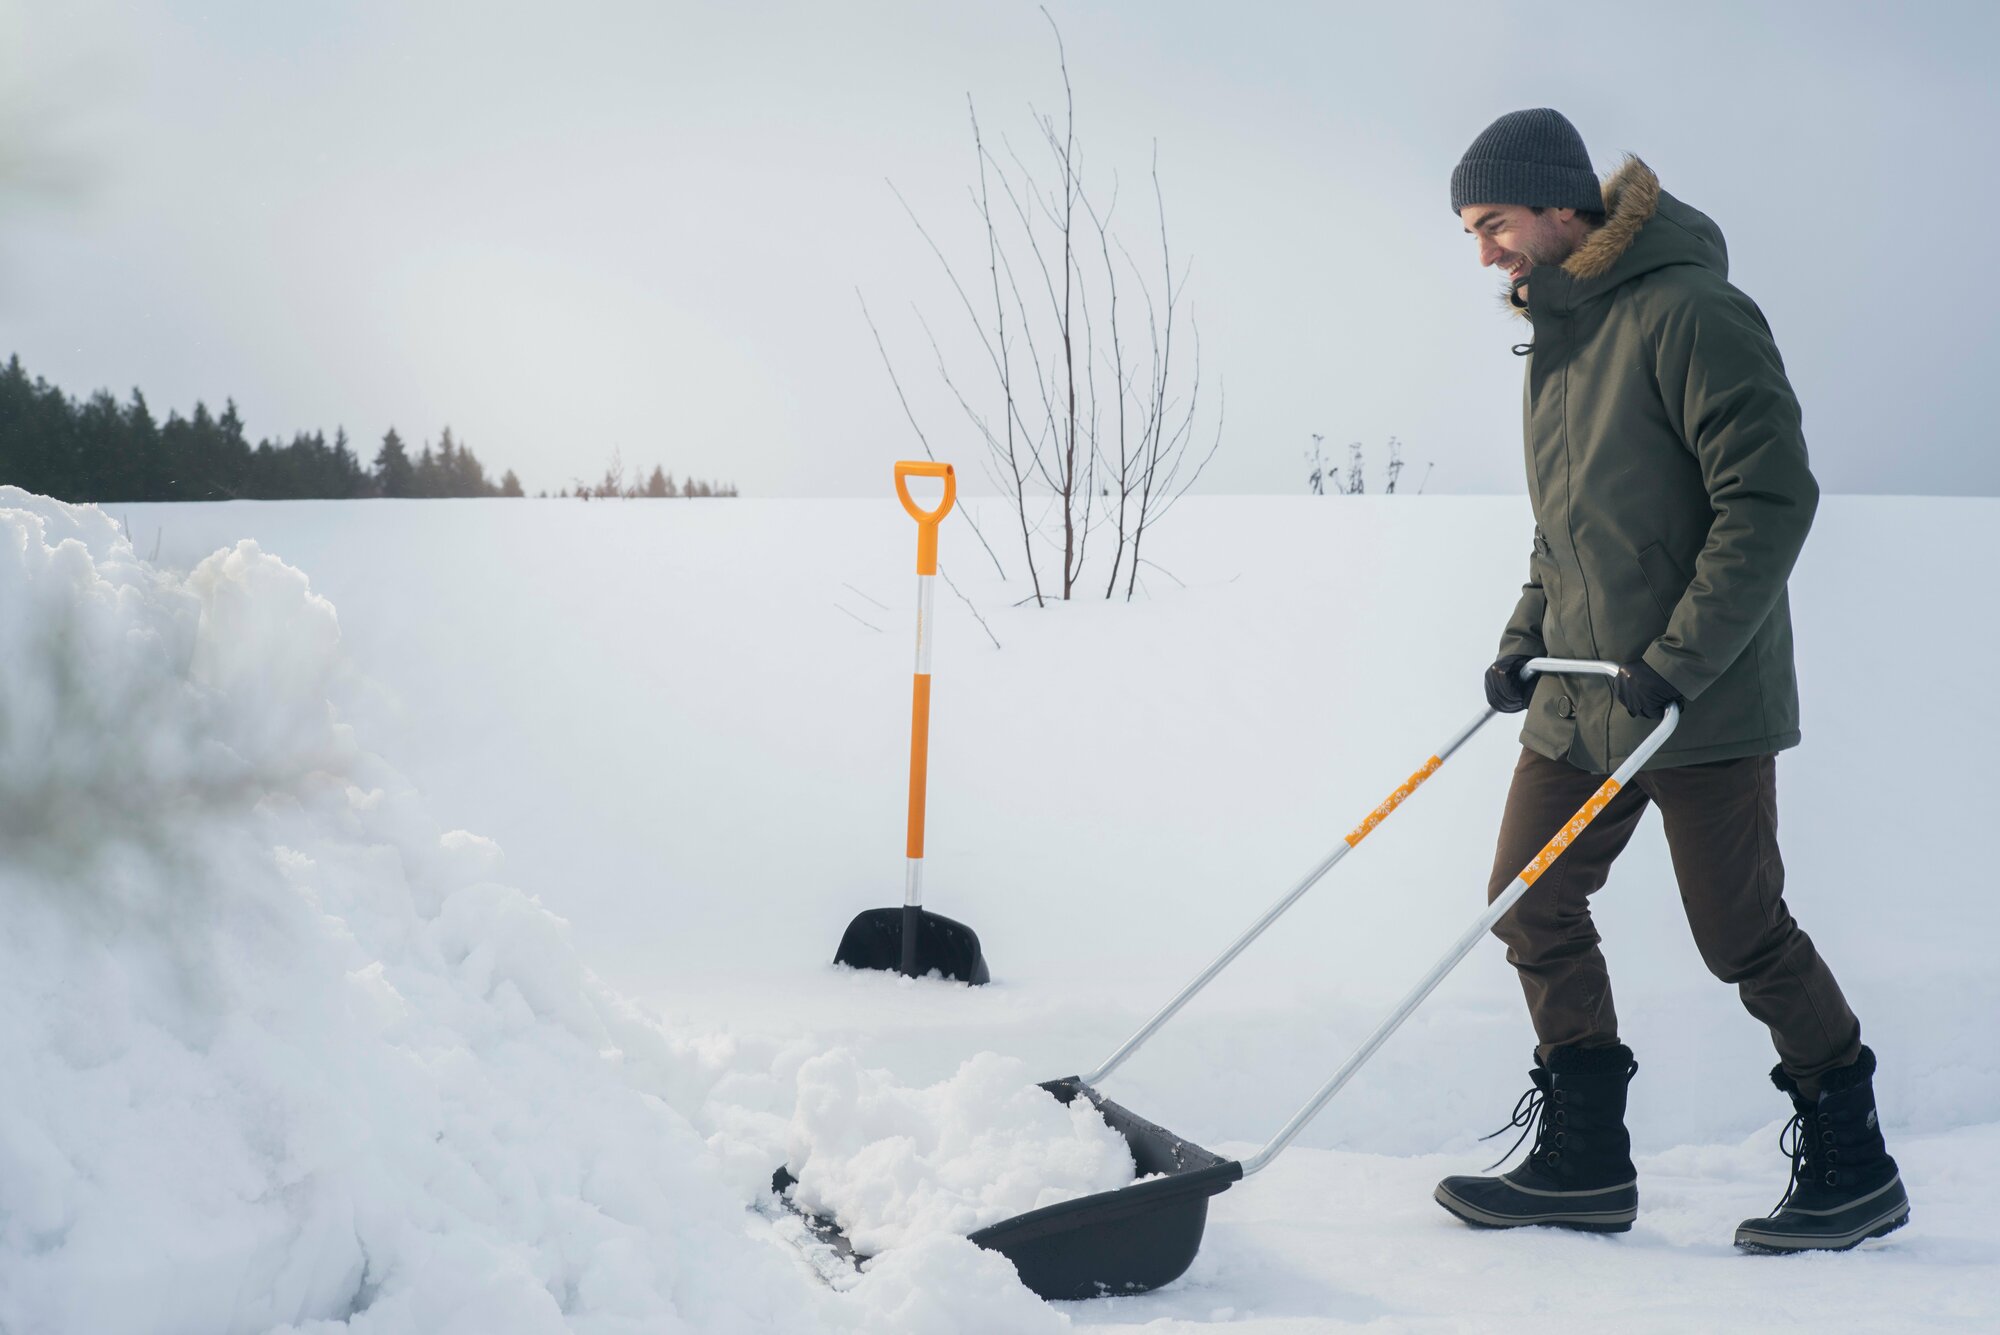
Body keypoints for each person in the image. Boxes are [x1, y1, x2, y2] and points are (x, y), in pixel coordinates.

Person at [1429, 108, 1908, 1253]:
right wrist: (1520, 638)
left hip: (1696, 697)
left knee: (1739, 935)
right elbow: (1567, 531)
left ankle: (1853, 1164)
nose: (1483, 253)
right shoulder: (1557, 338)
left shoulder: (1691, 313)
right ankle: (1584, 1166)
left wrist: (1676, 660)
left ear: (1558, 206)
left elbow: (1767, 501)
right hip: (1580, 691)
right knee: (1527, 900)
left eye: (1492, 225)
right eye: (1469, 232)